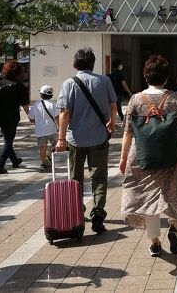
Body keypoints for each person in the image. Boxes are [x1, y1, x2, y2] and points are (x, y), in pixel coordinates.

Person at [120, 55, 177, 257]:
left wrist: (122, 158)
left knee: (149, 198)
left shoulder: (136, 100)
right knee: (174, 191)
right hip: (173, 153)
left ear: (146, 76)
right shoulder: (174, 98)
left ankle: (154, 243)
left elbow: (128, 132)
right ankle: (173, 227)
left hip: (143, 155)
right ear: (166, 77)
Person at [56, 48, 117, 233]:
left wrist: (60, 139)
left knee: (75, 178)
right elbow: (113, 105)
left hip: (75, 139)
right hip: (99, 137)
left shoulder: (68, 83)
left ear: (75, 63)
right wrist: (112, 123)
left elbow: (64, 112)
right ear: (92, 63)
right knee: (99, 177)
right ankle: (98, 214)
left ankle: (77, 211)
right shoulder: (104, 81)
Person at [0, 60, 30, 175]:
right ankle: (0, 165)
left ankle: (15, 160)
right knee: (8, 141)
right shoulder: (18, 86)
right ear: (18, 72)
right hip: (12, 117)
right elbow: (25, 104)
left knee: (7, 139)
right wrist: (31, 117)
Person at [27, 85, 59, 171]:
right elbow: (57, 117)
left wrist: (35, 120)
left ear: (41, 94)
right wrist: (60, 127)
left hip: (40, 131)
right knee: (56, 143)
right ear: (51, 95)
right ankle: (48, 156)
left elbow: (30, 117)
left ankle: (43, 163)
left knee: (42, 147)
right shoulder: (53, 104)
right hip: (52, 129)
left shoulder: (36, 104)